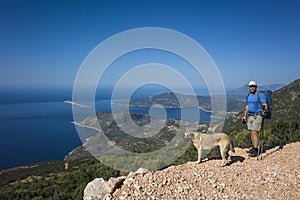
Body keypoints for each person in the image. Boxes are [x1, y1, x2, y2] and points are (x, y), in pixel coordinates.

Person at [242, 81, 268, 157]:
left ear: (256, 87)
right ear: (249, 87)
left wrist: (265, 110)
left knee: (254, 132)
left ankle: (256, 149)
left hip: (258, 115)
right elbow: (247, 106)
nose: (252, 87)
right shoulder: (248, 96)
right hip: (250, 116)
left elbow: (264, 104)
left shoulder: (260, 95)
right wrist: (244, 115)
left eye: (253, 86)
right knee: (251, 132)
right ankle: (254, 147)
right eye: (250, 86)